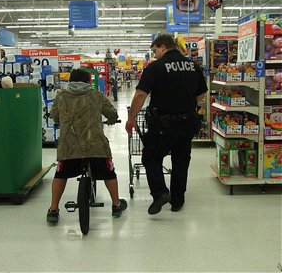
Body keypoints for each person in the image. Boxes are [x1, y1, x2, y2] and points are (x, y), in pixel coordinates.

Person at [125, 34, 207, 215]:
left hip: (162, 125)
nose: (154, 55)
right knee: (181, 161)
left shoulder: (155, 67)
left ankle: (160, 192)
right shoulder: (193, 66)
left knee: (151, 157)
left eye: (155, 50)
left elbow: (140, 95)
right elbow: (201, 96)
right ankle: (178, 201)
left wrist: (131, 119)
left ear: (163, 47)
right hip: (187, 124)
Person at [47, 68, 127, 223]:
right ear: (89, 81)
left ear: (70, 81)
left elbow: (55, 116)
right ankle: (116, 204)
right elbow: (111, 113)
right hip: (95, 146)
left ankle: (53, 209)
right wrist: (111, 120)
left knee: (61, 174)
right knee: (109, 173)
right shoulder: (96, 95)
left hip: (69, 147)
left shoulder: (61, 96)